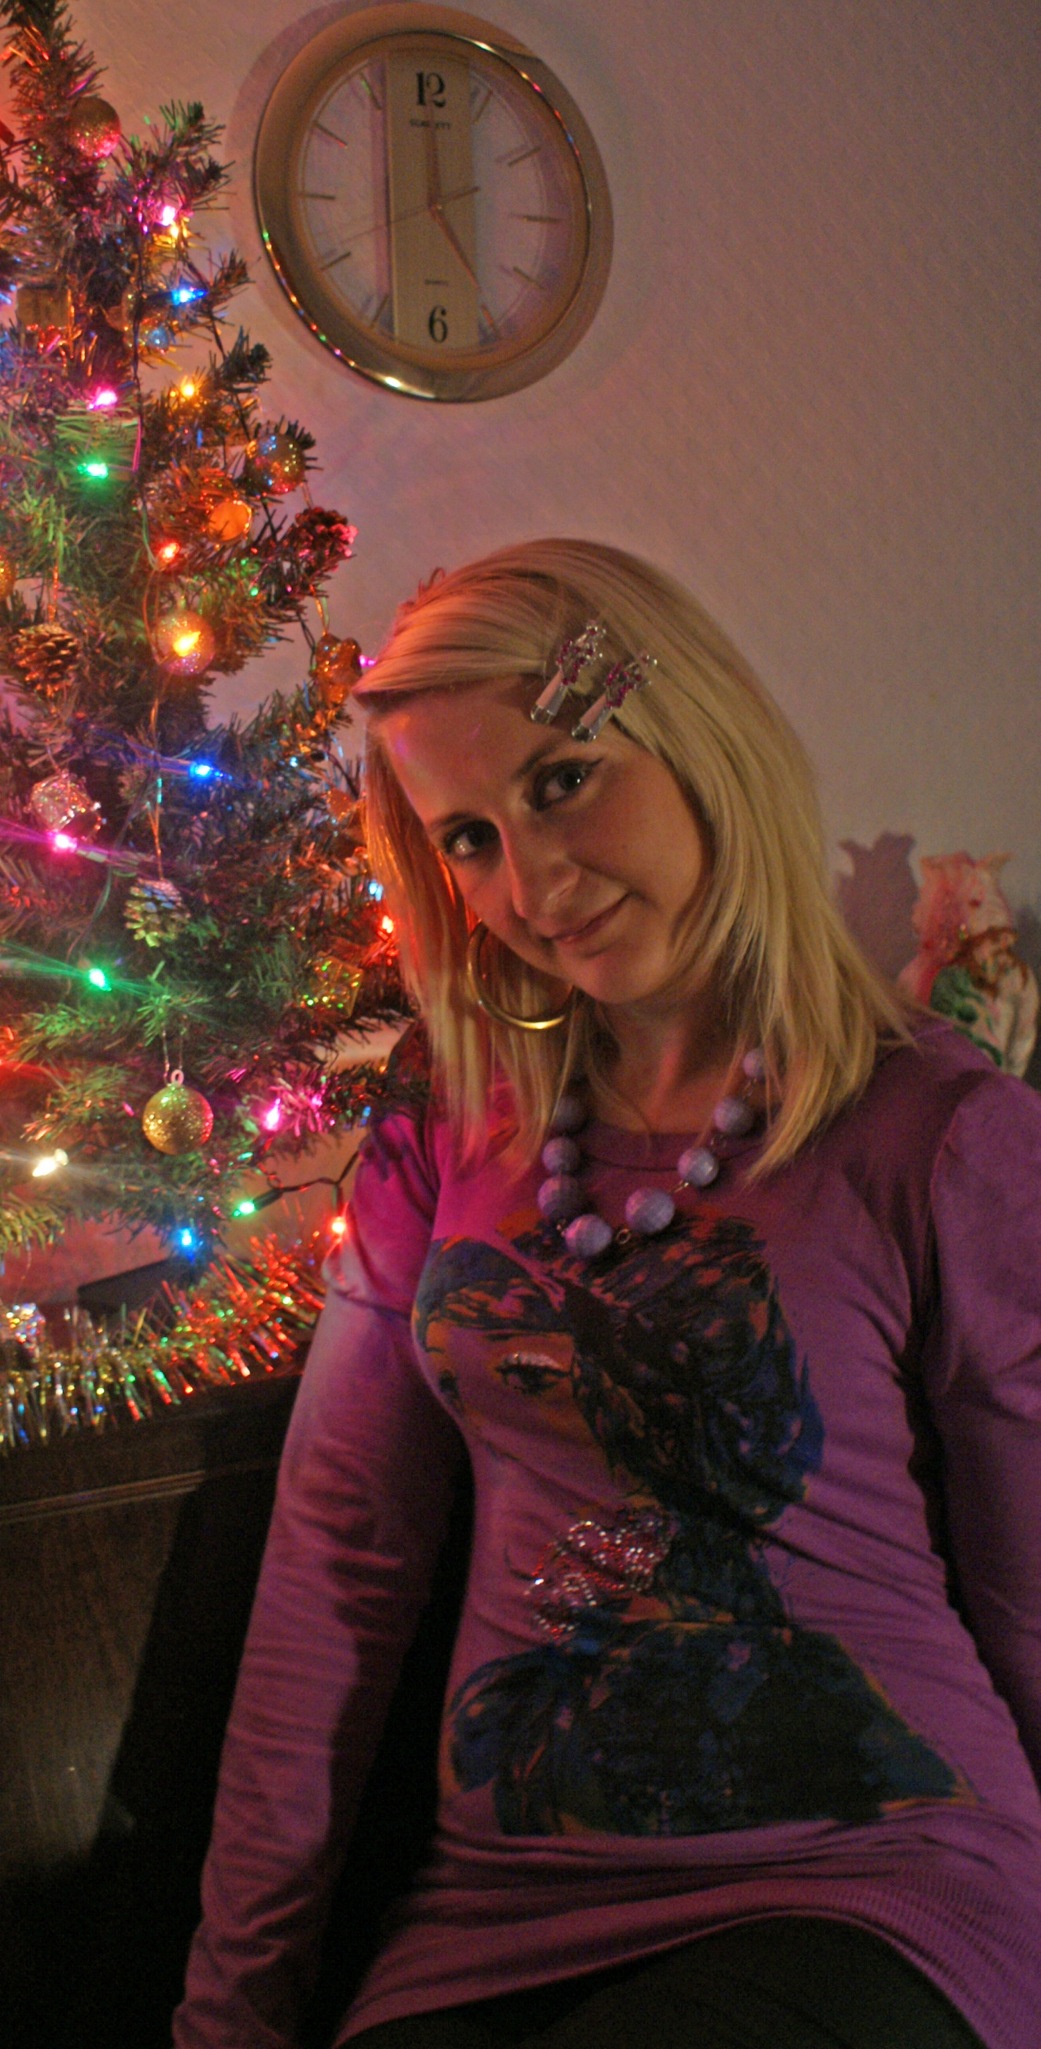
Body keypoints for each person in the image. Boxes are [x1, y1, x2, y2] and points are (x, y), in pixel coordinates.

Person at [174, 540, 1041, 2049]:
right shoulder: (446, 1120)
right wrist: (232, 2012)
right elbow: (338, 1559)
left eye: (565, 781)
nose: (534, 887)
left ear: (698, 740)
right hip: (491, 1912)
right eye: (470, 838)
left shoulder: (944, 1132)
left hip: (874, 1882)